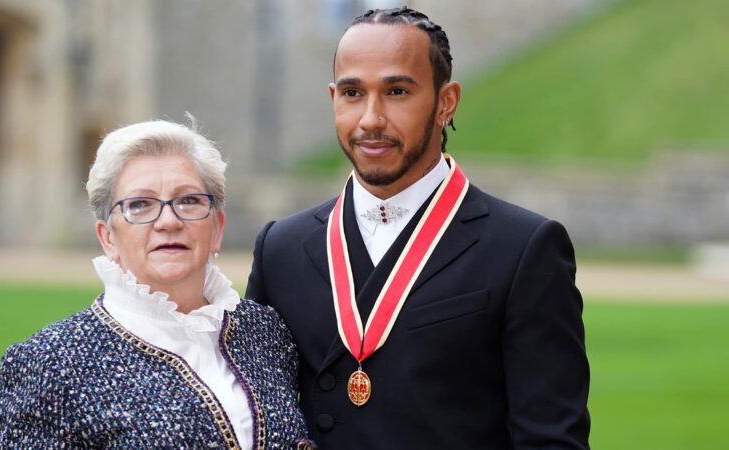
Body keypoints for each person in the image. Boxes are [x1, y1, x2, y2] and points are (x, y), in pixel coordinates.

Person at [246, 7, 590, 449]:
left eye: (396, 91)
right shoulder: (281, 248)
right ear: (333, 97)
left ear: (446, 102)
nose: (371, 118)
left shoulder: (525, 248)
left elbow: (551, 440)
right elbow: (252, 417)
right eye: (353, 92)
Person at [0, 119, 313, 449]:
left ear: (217, 227)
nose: (169, 221)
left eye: (188, 200)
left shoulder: (266, 331)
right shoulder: (50, 363)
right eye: (140, 204)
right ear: (108, 238)